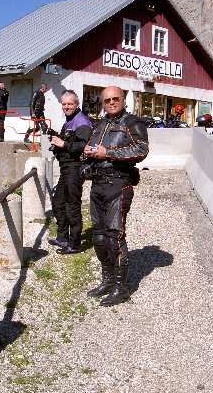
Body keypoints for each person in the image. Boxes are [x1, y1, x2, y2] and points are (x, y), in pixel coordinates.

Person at [84, 86, 149, 307]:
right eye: (107, 100)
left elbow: (141, 150)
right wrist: (87, 155)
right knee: (99, 237)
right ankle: (108, 281)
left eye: (115, 99)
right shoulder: (99, 124)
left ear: (123, 100)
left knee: (114, 236)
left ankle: (121, 289)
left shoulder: (133, 123)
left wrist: (108, 152)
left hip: (119, 185)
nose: (111, 103)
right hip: (97, 185)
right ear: (102, 103)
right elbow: (93, 151)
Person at [49, 90, 92, 253]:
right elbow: (67, 142)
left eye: (70, 104)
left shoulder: (81, 121)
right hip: (65, 168)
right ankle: (62, 237)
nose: (66, 107)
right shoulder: (69, 120)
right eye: (64, 104)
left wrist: (63, 144)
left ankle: (74, 244)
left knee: (71, 205)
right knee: (58, 202)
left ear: (77, 104)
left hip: (75, 168)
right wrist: (56, 140)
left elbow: (84, 146)